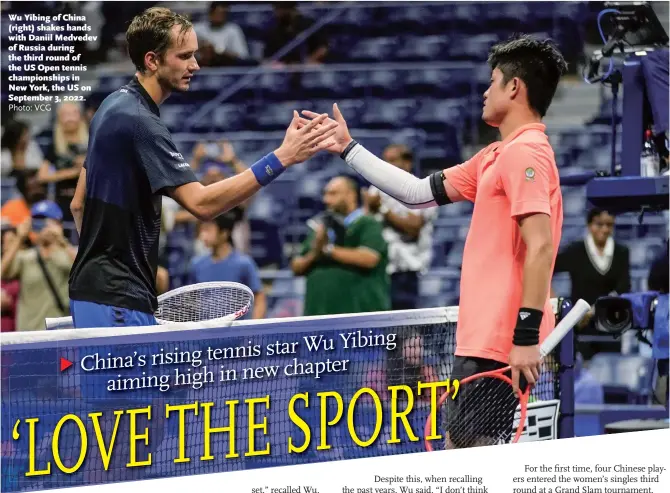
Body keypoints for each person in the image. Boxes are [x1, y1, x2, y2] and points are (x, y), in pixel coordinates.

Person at [300, 34, 568, 447]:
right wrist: (347, 148)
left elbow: (542, 245)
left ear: (514, 87)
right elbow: (416, 192)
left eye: (493, 80)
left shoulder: (526, 152)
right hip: (483, 337)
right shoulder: (495, 155)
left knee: (469, 461)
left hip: (501, 341)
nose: (484, 91)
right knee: (461, 454)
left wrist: (526, 337)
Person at [68, 7, 337, 329]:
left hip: (96, 291)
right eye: (184, 56)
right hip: (117, 299)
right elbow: (202, 204)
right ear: (152, 60)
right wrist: (282, 157)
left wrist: (105, 262)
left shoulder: (110, 106)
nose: (195, 65)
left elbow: (77, 203)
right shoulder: (140, 122)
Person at [290, 175, 390, 316]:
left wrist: (328, 250)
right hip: (317, 320)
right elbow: (296, 266)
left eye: (333, 194)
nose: (326, 200)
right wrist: (315, 253)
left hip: (360, 321)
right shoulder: (320, 227)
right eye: (325, 194)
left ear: (351, 195)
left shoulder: (367, 223)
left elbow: (370, 258)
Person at [364, 144, 437, 310]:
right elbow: (367, 225)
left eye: (392, 160)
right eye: (385, 161)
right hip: (380, 269)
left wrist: (382, 209)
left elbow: (413, 229)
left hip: (406, 270)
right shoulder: (376, 189)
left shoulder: (421, 188)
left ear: (407, 163)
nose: (386, 166)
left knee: (405, 329)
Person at [552, 207, 631, 360]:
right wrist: (554, 300)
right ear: (589, 225)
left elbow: (623, 287)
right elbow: (549, 268)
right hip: (581, 325)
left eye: (609, 225)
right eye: (599, 224)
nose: (604, 229)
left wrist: (595, 310)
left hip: (610, 323)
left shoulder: (622, 252)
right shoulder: (575, 251)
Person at [1, 201, 76, 331]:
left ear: (58, 224)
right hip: (28, 333)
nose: (43, 227)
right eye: (37, 221)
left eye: (47, 221)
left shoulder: (67, 253)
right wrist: (20, 237)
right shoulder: (27, 256)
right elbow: (3, 271)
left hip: (59, 333)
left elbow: (84, 273)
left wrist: (62, 241)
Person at [190, 208, 266, 319]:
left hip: (238, 333)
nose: (203, 235)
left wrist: (253, 329)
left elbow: (259, 300)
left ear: (224, 233)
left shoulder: (244, 264)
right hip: (205, 333)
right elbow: (192, 301)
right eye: (202, 230)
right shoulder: (196, 264)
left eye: (208, 229)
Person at [37, 102, 89, 223]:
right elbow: (42, 176)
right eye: (65, 114)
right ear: (59, 118)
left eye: (73, 113)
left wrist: (86, 165)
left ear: (80, 116)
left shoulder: (92, 140)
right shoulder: (55, 145)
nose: (70, 118)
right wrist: (72, 172)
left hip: (90, 201)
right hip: (64, 200)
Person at [194, 1, 250, 67]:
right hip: (198, 69)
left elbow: (242, 57)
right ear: (210, 13)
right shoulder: (197, 29)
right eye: (218, 13)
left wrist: (217, 51)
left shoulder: (233, 30)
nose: (220, 17)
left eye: (224, 14)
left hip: (225, 68)